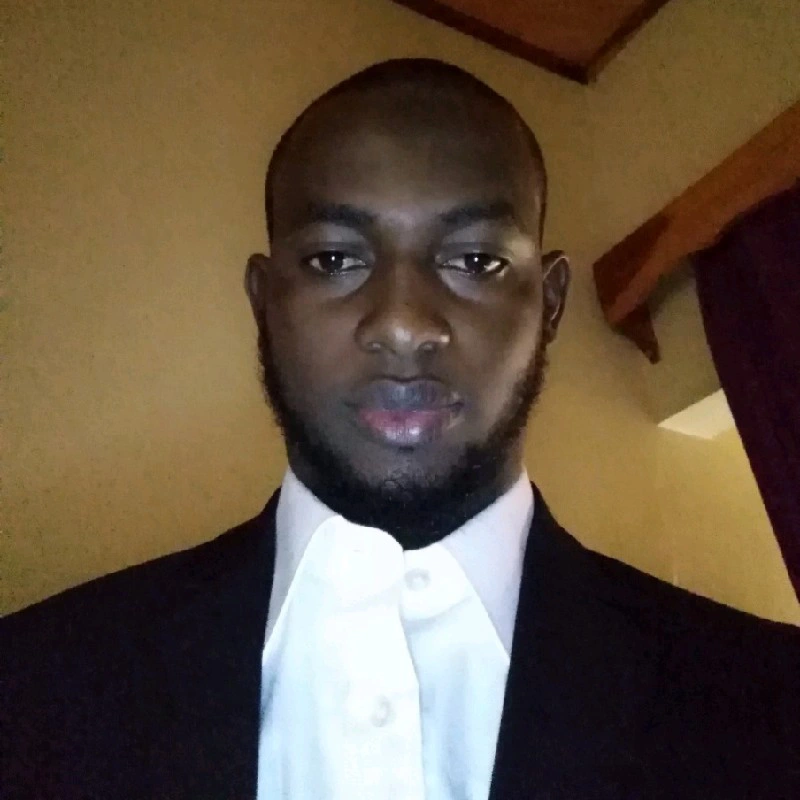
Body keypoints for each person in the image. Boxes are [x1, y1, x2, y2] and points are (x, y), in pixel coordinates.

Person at [2, 59, 798, 800]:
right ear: (264, 302)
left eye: (475, 261)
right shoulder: (32, 686)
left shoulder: (771, 707)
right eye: (334, 260)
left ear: (549, 304)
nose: (404, 325)